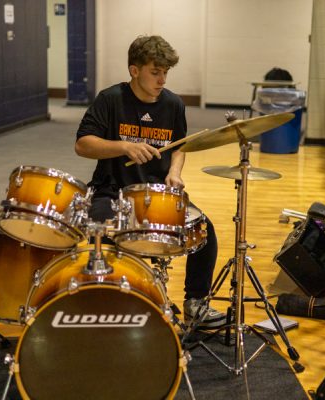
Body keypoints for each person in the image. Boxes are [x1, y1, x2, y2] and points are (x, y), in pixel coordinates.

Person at [75, 35, 225, 329]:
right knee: (100, 235)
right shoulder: (110, 99)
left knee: (204, 231)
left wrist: (175, 172)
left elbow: (179, 146)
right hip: (112, 190)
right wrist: (123, 146)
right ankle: (107, 306)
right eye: (155, 72)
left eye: (166, 72)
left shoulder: (172, 104)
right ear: (134, 70)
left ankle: (196, 303)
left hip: (158, 193)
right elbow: (83, 145)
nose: (161, 79)